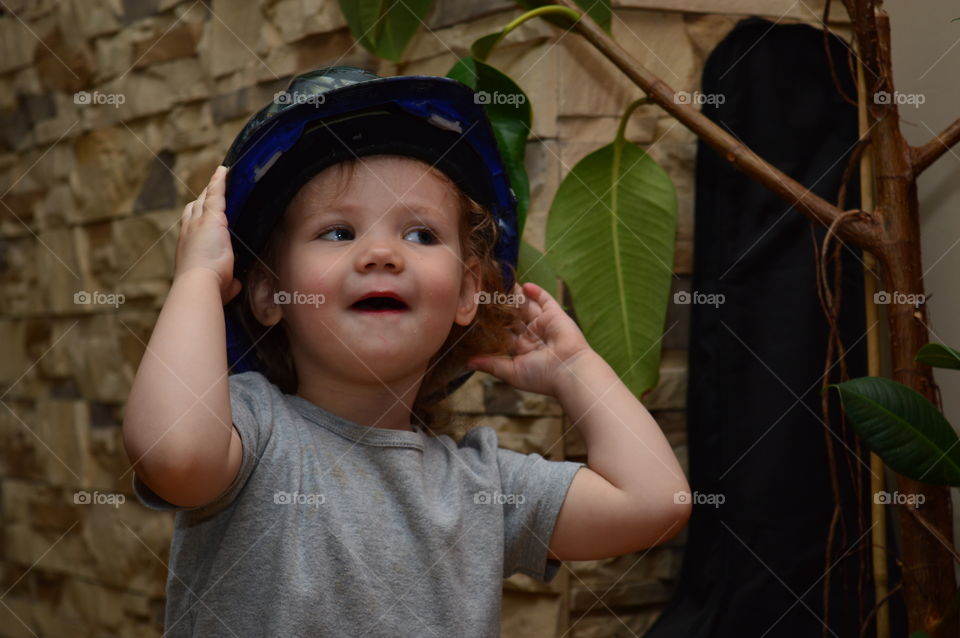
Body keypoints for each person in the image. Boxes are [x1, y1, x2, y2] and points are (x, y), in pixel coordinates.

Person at [122, 66, 691, 637]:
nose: (381, 254)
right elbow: (175, 455)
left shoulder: (479, 486)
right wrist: (198, 277)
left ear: (468, 290)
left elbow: (655, 502)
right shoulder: (251, 434)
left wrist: (574, 369)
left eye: (420, 235)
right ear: (271, 291)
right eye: (339, 232)